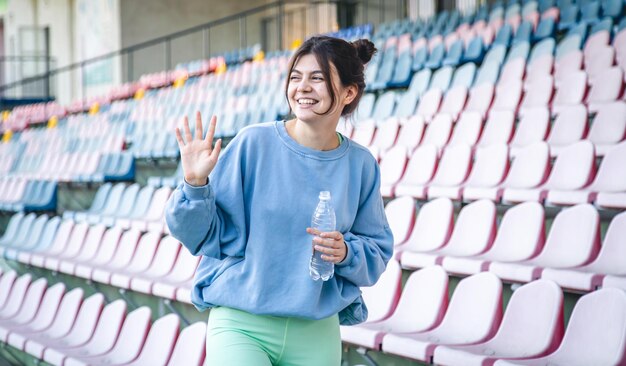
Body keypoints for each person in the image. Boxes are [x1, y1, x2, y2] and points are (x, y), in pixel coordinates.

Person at [165, 35, 394, 366]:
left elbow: (376, 251)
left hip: (316, 330)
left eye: (317, 78)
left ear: (348, 92)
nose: (302, 87)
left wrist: (345, 252)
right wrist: (195, 184)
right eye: (296, 77)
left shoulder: (361, 165)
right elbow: (200, 235)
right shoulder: (252, 144)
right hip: (242, 323)